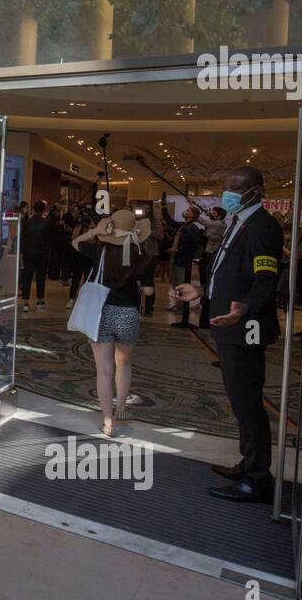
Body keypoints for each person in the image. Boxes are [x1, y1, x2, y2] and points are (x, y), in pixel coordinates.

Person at [171, 167, 282, 503]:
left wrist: (244, 308)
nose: (226, 192)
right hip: (229, 323)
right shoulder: (239, 222)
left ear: (255, 191)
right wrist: (201, 291)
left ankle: (257, 478)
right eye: (225, 187)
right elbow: (229, 273)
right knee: (240, 401)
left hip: (244, 328)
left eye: (234, 187)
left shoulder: (262, 226)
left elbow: (266, 280)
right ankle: (248, 463)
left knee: (248, 403)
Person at [72, 209, 155, 435]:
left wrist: (95, 231)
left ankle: (108, 421)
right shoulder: (143, 255)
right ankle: (121, 406)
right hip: (127, 314)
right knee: (124, 362)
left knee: (104, 371)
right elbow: (148, 291)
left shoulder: (100, 251)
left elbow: (75, 243)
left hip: (100, 314)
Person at [168, 206, 206, 328]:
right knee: (175, 283)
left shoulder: (192, 228)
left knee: (181, 282)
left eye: (189, 210)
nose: (186, 211)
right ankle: (178, 305)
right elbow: (171, 222)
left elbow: (192, 245)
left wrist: (178, 250)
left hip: (182, 260)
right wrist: (163, 208)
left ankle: (183, 307)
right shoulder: (183, 225)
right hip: (175, 258)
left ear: (193, 215)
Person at [19, 199, 51, 313]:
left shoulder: (27, 222)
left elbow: (22, 238)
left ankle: (26, 303)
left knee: (27, 277)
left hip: (28, 253)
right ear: (43, 210)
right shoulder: (47, 223)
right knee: (41, 277)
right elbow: (49, 239)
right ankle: (39, 300)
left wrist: (22, 251)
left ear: (33, 209)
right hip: (42, 254)